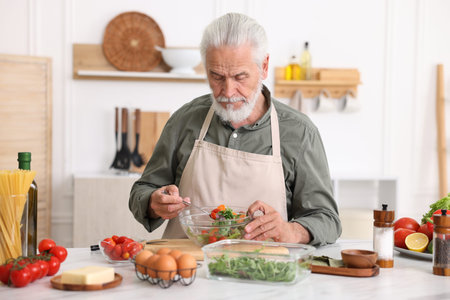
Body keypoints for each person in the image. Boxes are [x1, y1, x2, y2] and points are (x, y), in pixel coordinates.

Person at [129, 12, 341, 246]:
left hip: (263, 274)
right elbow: (143, 190)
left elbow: (327, 219)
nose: (228, 92)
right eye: (217, 76)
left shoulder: (300, 133)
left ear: (264, 66)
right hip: (187, 272)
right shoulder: (185, 120)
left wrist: (291, 231)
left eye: (240, 77)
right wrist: (153, 202)